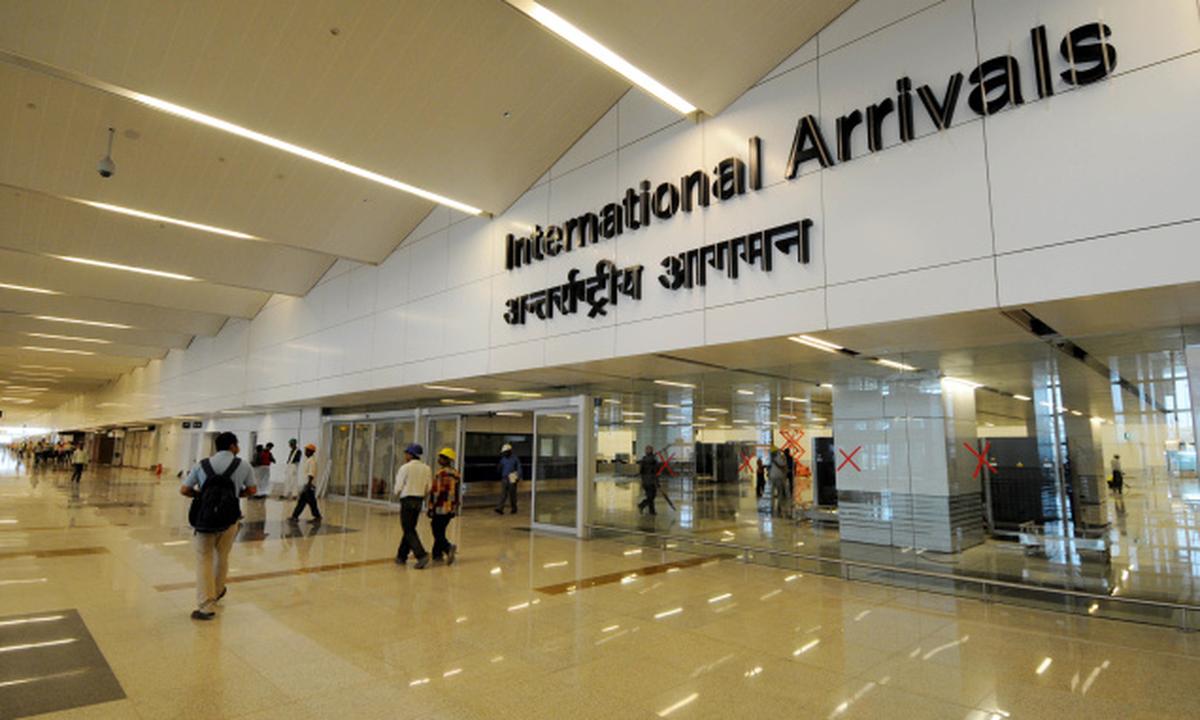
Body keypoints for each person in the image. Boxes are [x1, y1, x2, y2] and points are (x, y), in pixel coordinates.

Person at [180, 431, 256, 621]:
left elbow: (184, 489)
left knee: (204, 559)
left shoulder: (202, 465)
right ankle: (219, 589)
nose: (238, 447)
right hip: (230, 519)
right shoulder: (243, 465)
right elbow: (252, 489)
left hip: (205, 520)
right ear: (232, 446)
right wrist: (235, 495)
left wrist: (202, 496)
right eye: (237, 444)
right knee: (222, 555)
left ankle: (205, 606)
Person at [394, 443, 432, 568]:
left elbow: (398, 486)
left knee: (408, 529)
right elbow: (429, 487)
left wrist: (397, 493)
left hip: (407, 500)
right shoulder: (427, 468)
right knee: (409, 528)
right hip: (418, 500)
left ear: (411, 454)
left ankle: (421, 555)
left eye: (406, 453)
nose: (405, 455)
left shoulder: (405, 468)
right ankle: (401, 556)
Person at [428, 448, 461, 565]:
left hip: (440, 506)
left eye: (441, 458)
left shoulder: (441, 473)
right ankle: (437, 554)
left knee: (436, 529)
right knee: (440, 529)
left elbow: (437, 492)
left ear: (447, 460)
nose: (439, 459)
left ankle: (448, 547)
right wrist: (455, 507)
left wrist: (431, 507)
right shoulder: (456, 473)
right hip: (450, 507)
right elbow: (456, 492)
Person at [290, 444, 322, 522]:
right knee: (304, 502)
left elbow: (311, 474)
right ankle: (295, 516)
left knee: (310, 503)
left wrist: (308, 485)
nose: (305, 452)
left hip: (309, 485)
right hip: (307, 485)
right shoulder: (308, 460)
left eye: (307, 451)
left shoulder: (312, 461)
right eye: (305, 450)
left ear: (311, 452)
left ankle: (317, 516)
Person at [494, 443, 522, 515]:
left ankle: (514, 508)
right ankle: (500, 508)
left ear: (509, 451)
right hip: (504, 477)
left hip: (512, 476)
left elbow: (519, 468)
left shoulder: (515, 459)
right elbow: (500, 468)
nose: (504, 454)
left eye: (505, 452)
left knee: (512, 494)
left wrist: (518, 476)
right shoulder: (503, 459)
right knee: (503, 494)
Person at [769, 446, 790, 517]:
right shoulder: (781, 457)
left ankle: (771, 507)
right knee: (780, 492)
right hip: (779, 477)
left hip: (772, 476)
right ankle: (779, 507)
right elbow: (784, 466)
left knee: (771, 492)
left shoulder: (770, 459)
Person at [638, 445, 658, 515]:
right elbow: (655, 471)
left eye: (649, 449)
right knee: (651, 496)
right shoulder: (651, 459)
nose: (648, 451)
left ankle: (651, 511)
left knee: (651, 496)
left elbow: (641, 471)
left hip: (648, 481)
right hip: (649, 481)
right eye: (648, 449)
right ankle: (642, 505)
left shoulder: (647, 459)